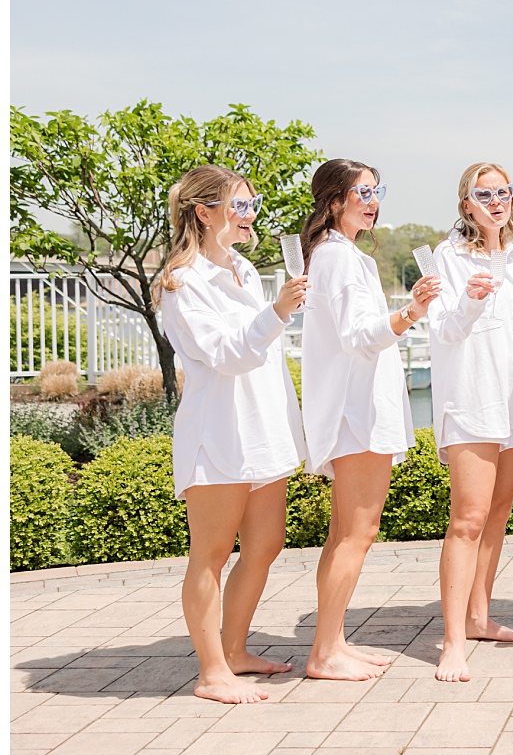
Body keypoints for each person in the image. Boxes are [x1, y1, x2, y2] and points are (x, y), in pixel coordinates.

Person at [155, 165, 307, 704]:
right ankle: (211, 671)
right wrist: (279, 312)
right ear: (205, 211)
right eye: (239, 206)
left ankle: (236, 649)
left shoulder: (243, 269)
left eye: (253, 205)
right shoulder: (183, 282)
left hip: (260, 430)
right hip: (218, 435)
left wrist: (276, 311)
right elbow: (227, 354)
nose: (250, 216)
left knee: (266, 544)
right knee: (211, 553)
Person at [300, 159, 440, 681]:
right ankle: (323, 653)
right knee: (357, 533)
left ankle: (331, 641)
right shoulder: (339, 259)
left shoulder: (343, 256)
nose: (373, 199)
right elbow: (359, 335)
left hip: (356, 409)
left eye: (377, 190)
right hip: (355, 413)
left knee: (344, 533)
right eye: (362, 191)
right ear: (335, 200)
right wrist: (412, 313)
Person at [429, 163, 513, 682]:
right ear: (466, 204)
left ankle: (479, 617)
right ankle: (453, 641)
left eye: (504, 192)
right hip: (472, 396)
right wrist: (472, 301)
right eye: (484, 194)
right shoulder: (448, 257)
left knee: (498, 510)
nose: (496, 201)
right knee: (468, 519)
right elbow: (445, 331)